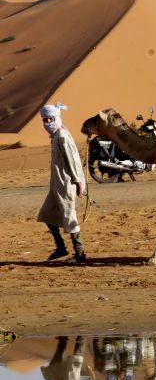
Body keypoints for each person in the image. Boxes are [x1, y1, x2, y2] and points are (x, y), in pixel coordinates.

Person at [36, 103, 87, 262]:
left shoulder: (63, 136)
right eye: (44, 120)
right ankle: (61, 248)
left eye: (49, 119)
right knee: (45, 214)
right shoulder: (56, 136)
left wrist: (78, 182)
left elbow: (72, 161)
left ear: (56, 118)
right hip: (56, 185)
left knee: (69, 217)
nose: (46, 123)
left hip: (66, 184)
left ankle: (80, 253)